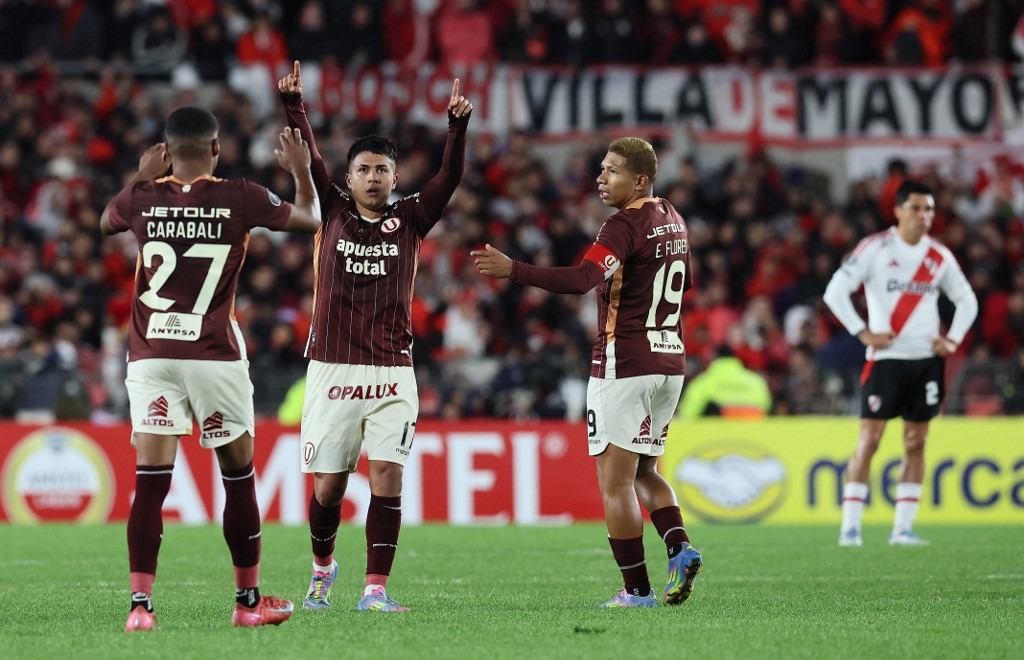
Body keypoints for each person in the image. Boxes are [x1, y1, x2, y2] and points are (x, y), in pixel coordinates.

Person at [100, 106, 322, 631]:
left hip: (151, 355)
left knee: (150, 482)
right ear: (217, 149)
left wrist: (139, 175)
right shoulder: (240, 194)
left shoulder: (141, 197)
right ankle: (247, 604)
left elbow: (105, 221)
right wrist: (300, 170)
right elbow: (311, 220)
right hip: (213, 355)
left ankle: (140, 609)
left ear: (167, 151)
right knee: (238, 477)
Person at [472, 137, 702, 608]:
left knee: (614, 482)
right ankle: (679, 548)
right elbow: (686, 283)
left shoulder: (622, 225)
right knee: (645, 470)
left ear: (639, 180)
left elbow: (582, 280)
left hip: (626, 362)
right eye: (600, 168)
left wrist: (514, 269)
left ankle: (637, 591)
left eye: (612, 171)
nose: (600, 177)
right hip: (670, 360)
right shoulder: (673, 217)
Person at [277, 61, 472, 612]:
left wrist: (455, 129)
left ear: (394, 177)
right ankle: (322, 569)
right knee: (328, 490)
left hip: (392, 369)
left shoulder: (411, 218)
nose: (373, 177)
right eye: (363, 169)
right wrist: (295, 105)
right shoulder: (331, 210)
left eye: (382, 169)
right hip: (333, 367)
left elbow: (448, 179)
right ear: (351, 175)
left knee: (387, 475)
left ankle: (375, 589)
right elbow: (312, 163)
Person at [823, 179, 978, 547]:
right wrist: (863, 332)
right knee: (869, 440)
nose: (923, 216)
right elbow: (835, 291)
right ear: (898, 210)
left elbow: (967, 300)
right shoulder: (875, 248)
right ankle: (851, 528)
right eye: (916, 208)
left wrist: (952, 339)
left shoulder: (938, 256)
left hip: (926, 362)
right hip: (885, 360)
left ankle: (903, 529)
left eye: (929, 210)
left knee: (916, 442)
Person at [676, 346, 772, 419]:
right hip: (753, 437)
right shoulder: (756, 381)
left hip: (715, 439)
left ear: (714, 358)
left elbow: (687, 415)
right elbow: (767, 408)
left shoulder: (703, 383)